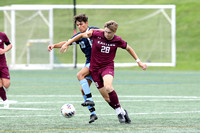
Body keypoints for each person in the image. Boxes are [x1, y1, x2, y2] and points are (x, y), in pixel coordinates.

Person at [60, 20, 148, 124]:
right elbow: (79, 36)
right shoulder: (96, 34)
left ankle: (119, 112)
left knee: (108, 87)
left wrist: (139, 62)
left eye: (109, 33)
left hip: (107, 67)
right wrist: (67, 44)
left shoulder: (117, 40)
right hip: (94, 69)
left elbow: (128, 48)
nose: (106, 34)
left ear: (114, 33)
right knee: (107, 98)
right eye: (105, 31)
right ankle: (123, 111)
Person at [48, 14, 100, 123]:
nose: (80, 26)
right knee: (83, 89)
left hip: (96, 63)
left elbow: (104, 31)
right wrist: (54, 45)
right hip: (88, 63)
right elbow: (67, 42)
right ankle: (93, 113)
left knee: (80, 75)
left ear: (86, 23)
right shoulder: (78, 36)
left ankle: (90, 100)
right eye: (78, 25)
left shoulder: (93, 31)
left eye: (81, 24)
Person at [0, 32, 12, 108]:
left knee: (6, 84)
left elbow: (10, 45)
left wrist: (4, 50)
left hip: (2, 63)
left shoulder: (2, 35)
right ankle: (5, 100)